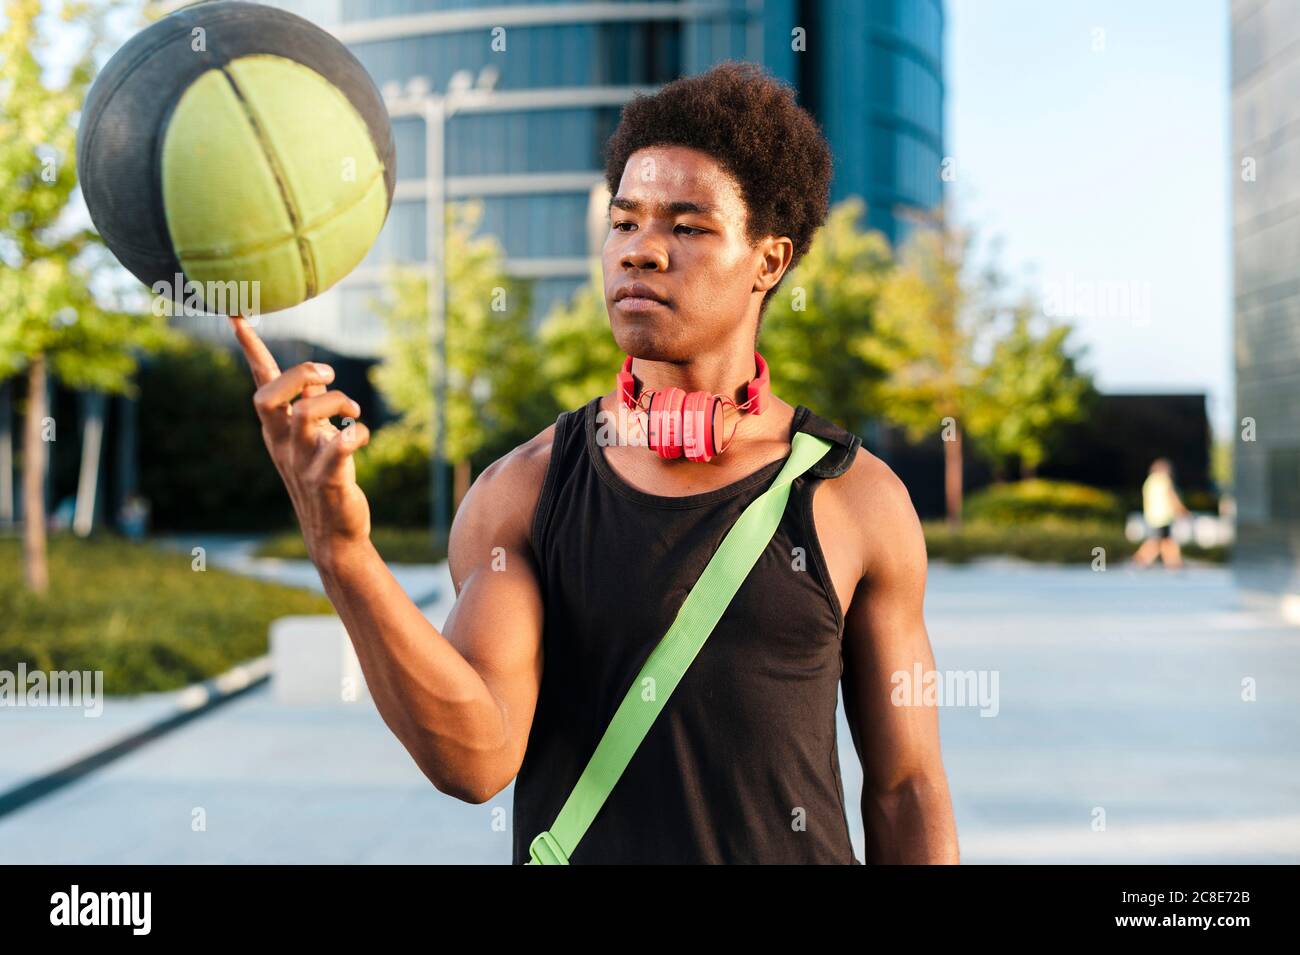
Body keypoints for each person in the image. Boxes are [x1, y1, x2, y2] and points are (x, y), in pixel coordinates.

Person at [228, 62, 958, 864]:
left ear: (769, 261)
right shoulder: (524, 491)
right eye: (624, 223)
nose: (641, 251)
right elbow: (474, 758)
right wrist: (342, 552)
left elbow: (907, 789)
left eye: (687, 227)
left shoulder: (855, 498)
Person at [1133, 458, 1190, 569]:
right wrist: (1181, 510)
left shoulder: (1149, 481)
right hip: (1163, 516)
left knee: (1165, 540)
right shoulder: (1164, 480)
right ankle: (1139, 560)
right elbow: (1171, 497)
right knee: (1156, 541)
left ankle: (1174, 562)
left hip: (1152, 516)